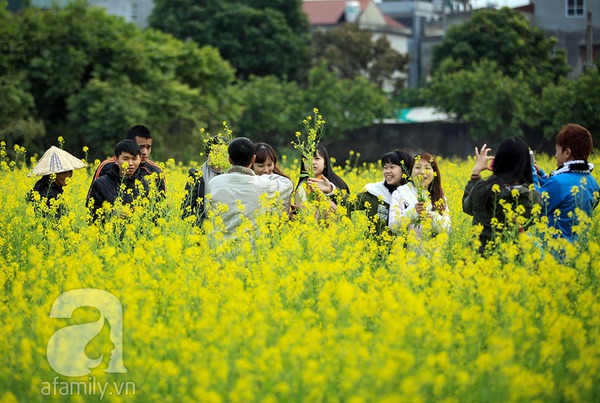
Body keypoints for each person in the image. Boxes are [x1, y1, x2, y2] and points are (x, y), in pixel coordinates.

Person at [463, 137, 542, 254]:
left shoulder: (482, 189)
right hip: (515, 260)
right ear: (526, 164)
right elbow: (534, 219)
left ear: (498, 160)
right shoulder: (531, 196)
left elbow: (467, 207)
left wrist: (476, 173)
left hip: (479, 259)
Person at [205, 137, 293, 236]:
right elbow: (287, 184)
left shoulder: (214, 183)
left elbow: (209, 212)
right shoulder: (264, 184)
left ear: (229, 159)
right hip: (252, 249)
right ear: (253, 159)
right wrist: (265, 176)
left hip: (220, 247)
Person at [533, 123, 600, 241]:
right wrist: (543, 178)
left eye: (557, 150)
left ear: (567, 153)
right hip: (578, 253)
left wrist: (532, 176)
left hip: (555, 254)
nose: (555, 156)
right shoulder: (593, 183)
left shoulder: (557, 183)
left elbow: (535, 206)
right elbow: (565, 198)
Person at [346, 149, 413, 235]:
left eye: (392, 167)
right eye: (385, 168)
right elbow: (348, 203)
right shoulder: (375, 192)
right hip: (376, 247)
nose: (387, 171)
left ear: (404, 170)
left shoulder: (415, 195)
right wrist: (330, 190)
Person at [88, 125, 165, 197]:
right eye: (141, 147)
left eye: (148, 147)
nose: (145, 152)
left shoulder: (156, 171)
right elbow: (93, 197)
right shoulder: (107, 166)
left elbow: (162, 204)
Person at [86, 140, 150, 223]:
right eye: (126, 159)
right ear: (116, 159)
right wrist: (112, 214)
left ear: (140, 159)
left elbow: (150, 216)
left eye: (134, 159)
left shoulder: (144, 184)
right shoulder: (100, 184)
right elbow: (90, 214)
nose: (130, 163)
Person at [389, 153, 450, 237]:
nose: (422, 172)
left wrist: (434, 219)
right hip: (407, 249)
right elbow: (393, 226)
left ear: (434, 173)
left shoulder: (439, 196)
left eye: (427, 168)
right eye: (417, 167)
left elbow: (448, 229)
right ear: (410, 172)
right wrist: (412, 212)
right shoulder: (400, 193)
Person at [27, 146, 87, 218]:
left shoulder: (41, 186)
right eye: (64, 172)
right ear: (51, 174)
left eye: (70, 171)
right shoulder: (49, 194)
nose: (68, 176)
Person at [181, 136, 226, 226]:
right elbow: (184, 212)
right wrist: (203, 225)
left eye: (223, 154)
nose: (219, 157)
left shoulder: (228, 177)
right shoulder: (196, 176)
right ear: (208, 154)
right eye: (216, 152)